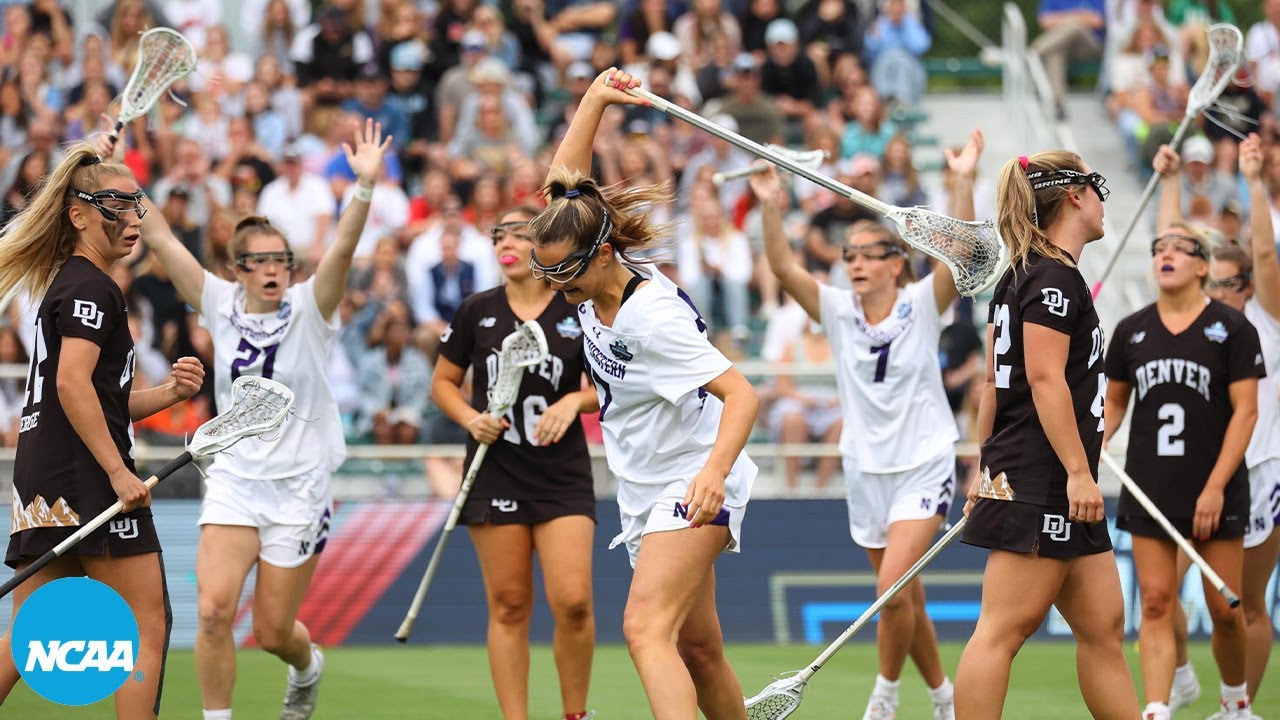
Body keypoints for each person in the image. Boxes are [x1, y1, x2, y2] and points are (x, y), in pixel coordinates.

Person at [127, 119, 391, 720]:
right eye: (261, 261)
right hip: (237, 480)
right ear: (239, 268)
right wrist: (117, 175)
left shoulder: (310, 307)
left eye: (282, 260)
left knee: (273, 631)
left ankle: (306, 665)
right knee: (215, 612)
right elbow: (163, 238)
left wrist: (365, 188)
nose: (275, 270)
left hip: (301, 484)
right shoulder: (218, 301)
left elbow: (344, 250)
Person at [527, 68, 759, 720]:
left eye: (565, 276)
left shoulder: (650, 315)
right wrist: (596, 99)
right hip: (647, 481)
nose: (556, 291)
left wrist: (713, 473)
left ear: (601, 256)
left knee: (644, 629)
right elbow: (563, 185)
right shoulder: (587, 256)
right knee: (699, 649)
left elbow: (742, 394)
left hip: (691, 478)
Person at [749, 131, 987, 720]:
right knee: (905, 597)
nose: (852, 262)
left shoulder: (923, 304)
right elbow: (781, 264)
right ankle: (942, 697)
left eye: (866, 254)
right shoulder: (834, 309)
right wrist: (769, 202)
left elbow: (961, 256)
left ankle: (883, 698)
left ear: (895, 264)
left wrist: (960, 179)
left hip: (924, 461)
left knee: (894, 589)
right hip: (865, 468)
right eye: (847, 254)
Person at [0, 142, 206, 718]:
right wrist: (119, 472)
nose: (134, 218)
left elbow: (95, 397)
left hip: (42, 479)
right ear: (79, 215)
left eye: (137, 203)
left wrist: (167, 396)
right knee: (146, 626)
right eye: (117, 203)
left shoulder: (66, 283)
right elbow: (71, 386)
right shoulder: (93, 286)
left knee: (28, 637)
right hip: (87, 479)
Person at [955, 150, 1142, 720]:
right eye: (1096, 187)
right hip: (1046, 475)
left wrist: (983, 469)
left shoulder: (1026, 274)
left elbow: (992, 383)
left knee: (1103, 627)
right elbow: (1041, 378)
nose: (1103, 200)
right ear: (1074, 196)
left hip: (1040, 472)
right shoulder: (1053, 277)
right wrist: (1080, 473)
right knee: (1003, 631)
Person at [431, 205, 600, 720]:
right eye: (498, 235)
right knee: (508, 604)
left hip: (561, 473)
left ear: (545, 246)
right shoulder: (475, 310)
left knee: (572, 601)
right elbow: (442, 384)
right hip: (494, 471)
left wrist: (574, 401)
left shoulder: (579, 309)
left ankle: (575, 714)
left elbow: (612, 384)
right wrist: (470, 417)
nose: (506, 242)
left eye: (520, 233)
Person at [1155, 133, 1279, 713]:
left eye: (1227, 282)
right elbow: (1172, 245)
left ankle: (1241, 707)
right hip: (1195, 472)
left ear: (1246, 286)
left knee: (1245, 606)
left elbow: (1267, 256)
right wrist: (1172, 179)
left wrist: (1253, 181)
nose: (1214, 291)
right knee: (1161, 596)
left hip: (1259, 467)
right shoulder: (1195, 316)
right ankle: (1181, 675)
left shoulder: (1265, 319)